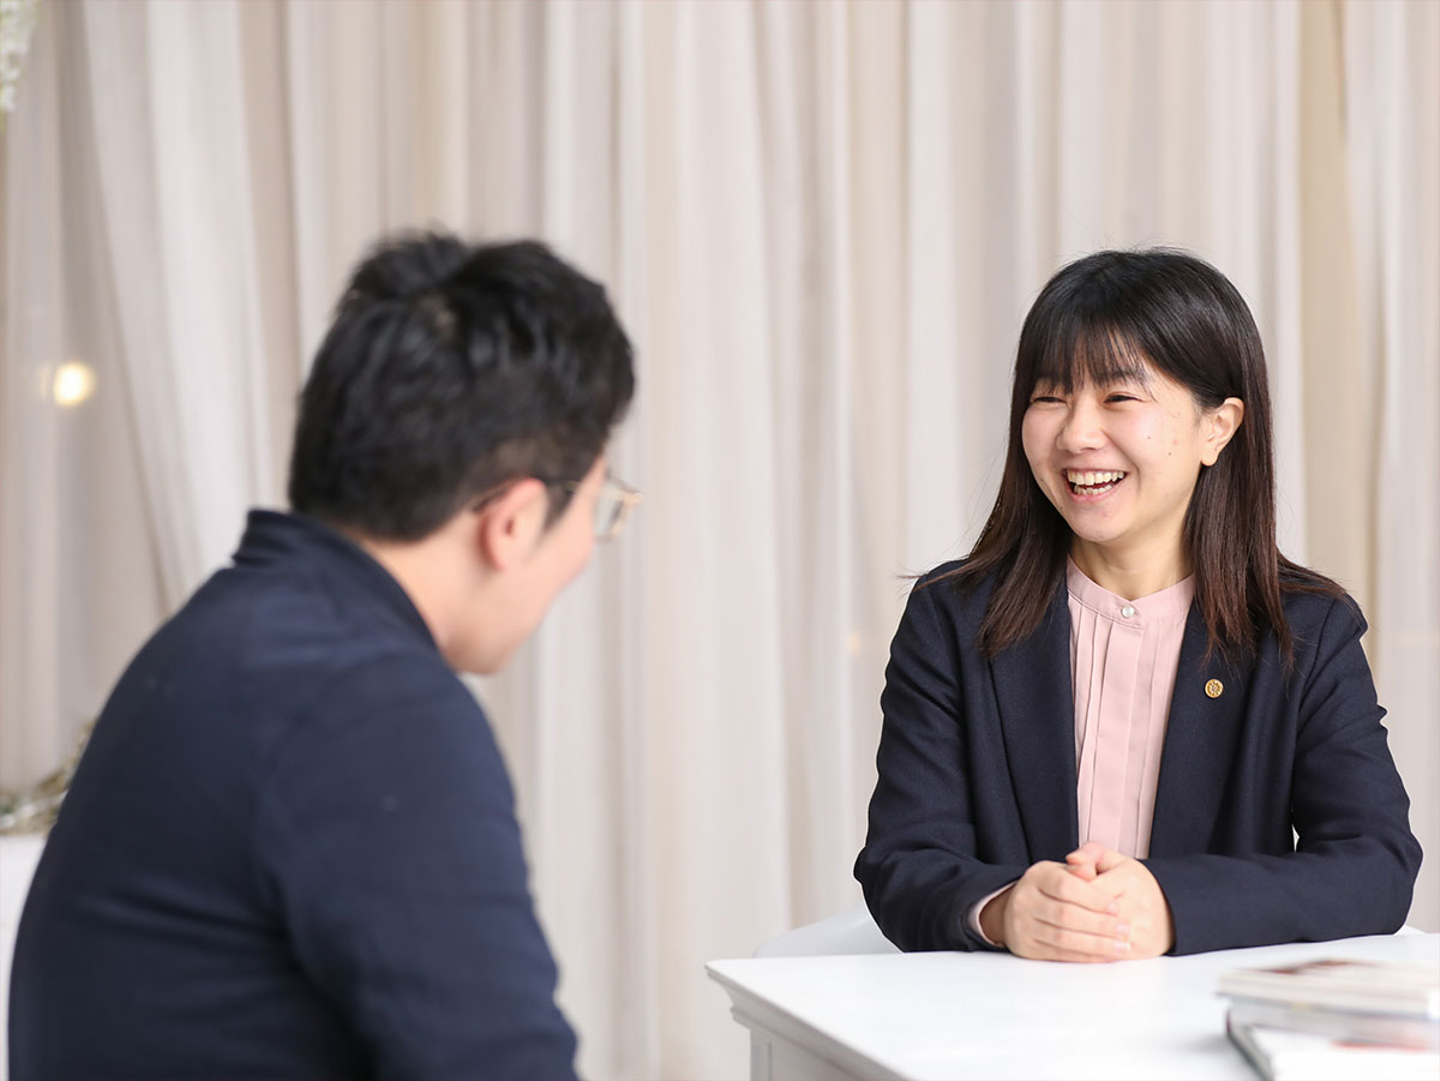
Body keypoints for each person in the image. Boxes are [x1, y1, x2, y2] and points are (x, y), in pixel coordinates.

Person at [9, 232, 638, 1077]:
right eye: (598, 508)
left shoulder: (226, 635)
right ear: (515, 520)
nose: (588, 547)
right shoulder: (369, 704)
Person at [855, 248, 1421, 962]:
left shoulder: (1304, 630)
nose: (1075, 434)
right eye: (1049, 396)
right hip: (1004, 1017)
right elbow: (903, 859)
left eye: (1119, 397)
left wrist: (1172, 905)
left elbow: (1376, 865)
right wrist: (1004, 908)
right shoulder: (952, 617)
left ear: (1217, 427)